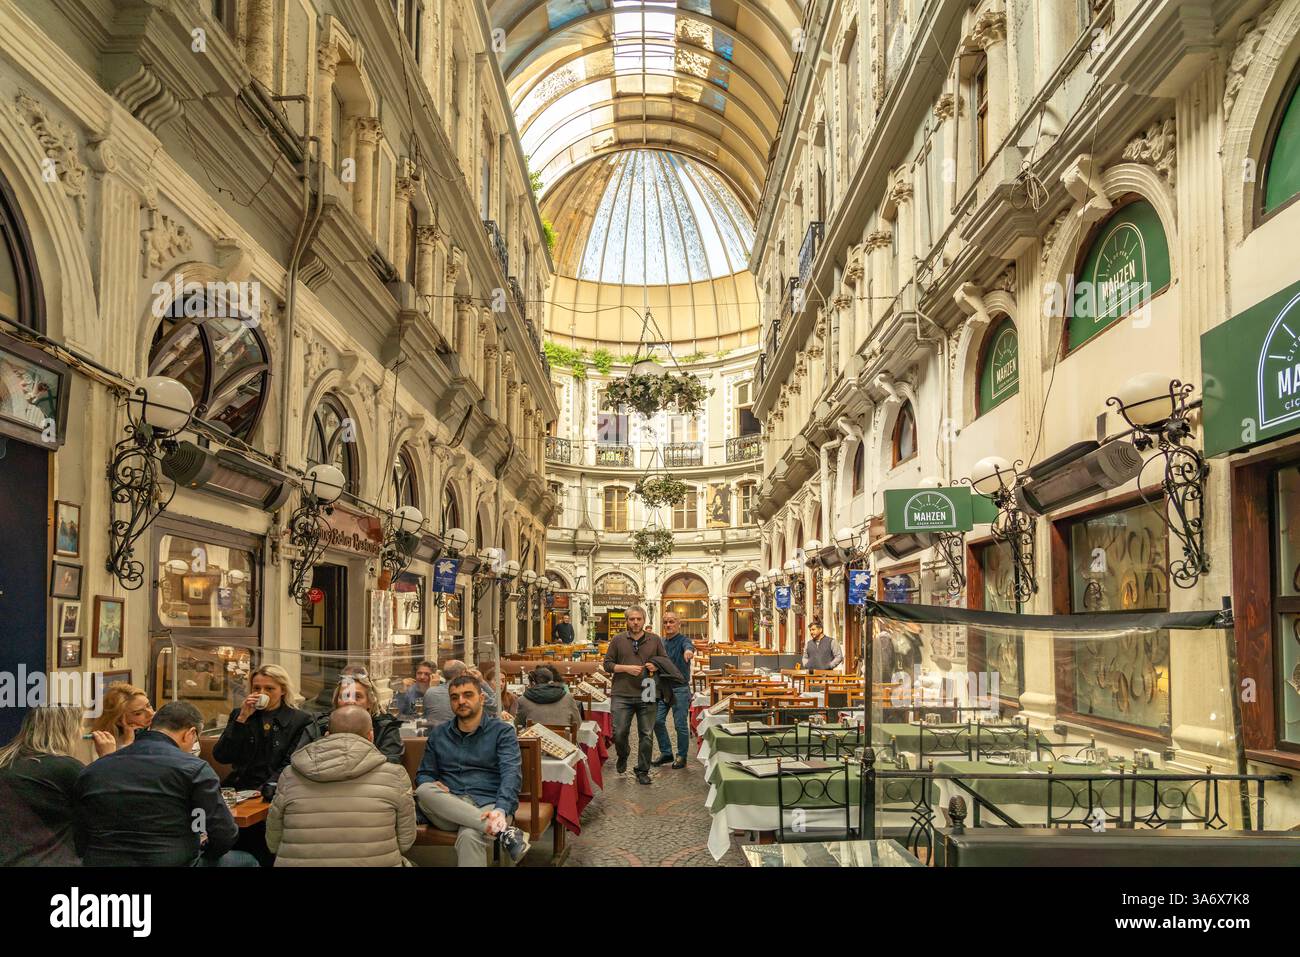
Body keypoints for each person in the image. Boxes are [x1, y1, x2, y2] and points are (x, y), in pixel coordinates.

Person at [74, 701, 255, 866]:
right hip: (169, 861)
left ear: (152, 726)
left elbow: (80, 836)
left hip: (102, 862)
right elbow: (224, 834)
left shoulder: (94, 770)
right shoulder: (194, 769)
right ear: (190, 733)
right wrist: (205, 849)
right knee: (247, 861)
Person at [266, 705, 417, 867]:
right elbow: (406, 840)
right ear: (371, 736)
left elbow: (273, 842)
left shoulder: (290, 775)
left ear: (327, 735)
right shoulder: (395, 776)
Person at [414, 674, 529, 866]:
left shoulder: (502, 731)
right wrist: (429, 781)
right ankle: (502, 831)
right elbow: (424, 773)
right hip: (448, 806)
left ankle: (493, 824)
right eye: (454, 697)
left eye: (468, 695)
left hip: (489, 804)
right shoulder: (439, 734)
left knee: (470, 835)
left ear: (482, 699)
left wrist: (501, 809)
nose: (461, 701)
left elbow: (511, 775)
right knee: (424, 789)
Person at [211, 664, 312, 866]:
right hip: (241, 787)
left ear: (282, 690)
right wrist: (241, 719)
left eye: (269, 689)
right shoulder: (241, 715)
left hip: (277, 789)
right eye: (257, 688)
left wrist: (263, 791)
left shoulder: (300, 720)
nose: (261, 693)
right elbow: (221, 756)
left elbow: (291, 763)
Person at [0, 706, 85, 865]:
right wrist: (108, 760)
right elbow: (103, 810)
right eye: (80, 726)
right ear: (67, 730)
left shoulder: (4, 762)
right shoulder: (67, 769)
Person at [603, 605, 666, 785]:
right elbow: (607, 664)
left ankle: (642, 770)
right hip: (622, 692)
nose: (635, 622)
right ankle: (623, 753)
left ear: (644, 620)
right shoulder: (618, 640)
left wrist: (657, 666)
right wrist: (625, 668)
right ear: (627, 621)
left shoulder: (655, 640)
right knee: (619, 731)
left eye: (638, 619)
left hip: (648, 691)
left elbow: (665, 662)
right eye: (632, 619)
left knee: (646, 733)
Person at [294, 672, 403, 765]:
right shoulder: (319, 726)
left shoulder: (385, 728)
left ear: (370, 702)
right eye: (345, 696)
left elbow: (389, 765)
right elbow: (300, 761)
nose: (350, 701)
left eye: (358, 696)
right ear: (337, 701)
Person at [652, 612, 694, 769]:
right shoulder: (661, 642)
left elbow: (688, 648)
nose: (668, 625)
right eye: (665, 622)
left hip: (680, 689)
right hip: (663, 688)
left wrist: (688, 652)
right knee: (656, 720)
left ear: (679, 624)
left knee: (680, 725)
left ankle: (682, 756)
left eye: (671, 622)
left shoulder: (684, 641)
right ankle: (666, 753)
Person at [422, 660, 498, 727]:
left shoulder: (430, 692)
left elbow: (425, 716)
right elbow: (496, 707)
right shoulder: (472, 692)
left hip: (436, 739)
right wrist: (481, 681)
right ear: (463, 673)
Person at [88, 684, 153, 756]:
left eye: (148, 705)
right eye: (138, 713)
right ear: (119, 721)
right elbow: (115, 766)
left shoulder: (159, 724)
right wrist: (127, 745)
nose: (150, 713)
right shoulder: (104, 742)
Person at [512, 666, 582, 731]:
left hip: (534, 743)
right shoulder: (568, 697)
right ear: (551, 682)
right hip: (564, 742)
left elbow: (518, 725)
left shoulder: (523, 700)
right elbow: (577, 724)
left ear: (533, 684)